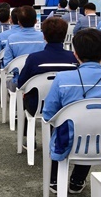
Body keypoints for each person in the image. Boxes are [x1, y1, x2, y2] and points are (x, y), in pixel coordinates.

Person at [43, 28, 101, 193]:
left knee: (65, 123)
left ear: (75, 54)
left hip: (68, 144)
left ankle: (55, 180)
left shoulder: (62, 79)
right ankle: (77, 180)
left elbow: (48, 114)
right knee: (95, 125)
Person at [17, 18, 78, 152]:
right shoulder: (73, 58)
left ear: (44, 36)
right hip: (67, 105)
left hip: (38, 105)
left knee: (25, 95)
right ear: (65, 35)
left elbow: (21, 84)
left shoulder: (34, 58)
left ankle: (30, 137)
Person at [2, 6, 46, 91]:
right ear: (36, 21)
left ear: (19, 22)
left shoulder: (11, 39)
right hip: (42, 82)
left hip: (19, 82)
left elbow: (7, 64)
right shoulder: (44, 37)